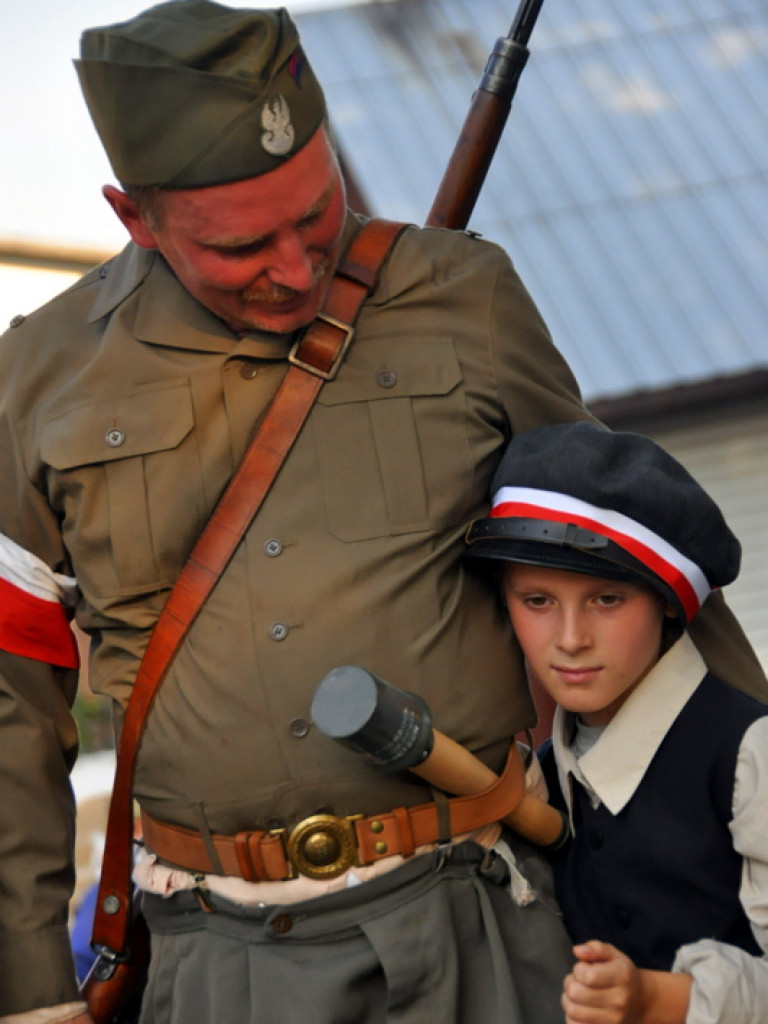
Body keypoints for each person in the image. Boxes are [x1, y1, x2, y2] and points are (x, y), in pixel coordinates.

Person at [0, 3, 764, 1022]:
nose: (299, 264)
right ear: (134, 216)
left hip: (488, 928)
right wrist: (28, 987)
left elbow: (634, 557)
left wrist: (741, 814)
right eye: (243, 246)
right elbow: (13, 696)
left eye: (317, 214)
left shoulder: (465, 295)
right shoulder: (38, 377)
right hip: (219, 962)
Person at [464, 420, 768, 1024]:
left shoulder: (747, 753)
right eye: (538, 601)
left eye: (607, 600)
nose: (571, 640)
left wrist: (654, 999)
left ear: (666, 602)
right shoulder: (535, 782)